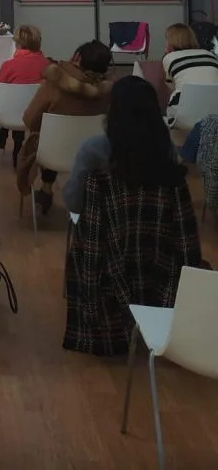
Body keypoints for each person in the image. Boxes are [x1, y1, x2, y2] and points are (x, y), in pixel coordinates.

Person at [63, 79, 201, 356]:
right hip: (158, 263)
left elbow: (73, 202)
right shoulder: (165, 150)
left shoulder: (94, 149)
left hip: (105, 264)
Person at [18, 40, 113, 213]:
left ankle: (46, 189)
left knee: (49, 136)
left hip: (52, 152)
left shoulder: (54, 83)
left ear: (77, 58)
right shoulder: (109, 92)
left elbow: (30, 119)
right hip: (94, 154)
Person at [63, 76, 175, 214]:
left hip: (105, 225)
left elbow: (74, 202)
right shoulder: (166, 147)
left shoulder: (93, 149)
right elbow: (174, 199)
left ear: (112, 109)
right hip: (155, 223)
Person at [0, 25, 49, 161]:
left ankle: (6, 137)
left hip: (9, 116)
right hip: (37, 116)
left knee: (11, 101)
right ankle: (17, 145)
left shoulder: (8, 65)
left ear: (18, 43)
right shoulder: (47, 65)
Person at [162, 22, 218, 121]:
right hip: (214, 113)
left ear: (171, 41)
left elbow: (171, 86)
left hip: (184, 117)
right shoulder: (210, 55)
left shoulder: (169, 58)